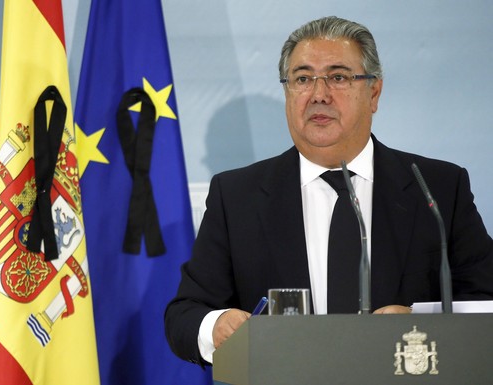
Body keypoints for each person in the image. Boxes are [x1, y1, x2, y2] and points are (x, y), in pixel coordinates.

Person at [164, 16, 493, 367]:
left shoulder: (438, 188)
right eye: (303, 79)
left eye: (338, 77)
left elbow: (485, 300)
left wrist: (418, 321)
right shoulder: (237, 196)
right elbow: (185, 315)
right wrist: (216, 325)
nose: (319, 95)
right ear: (287, 91)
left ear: (374, 92)